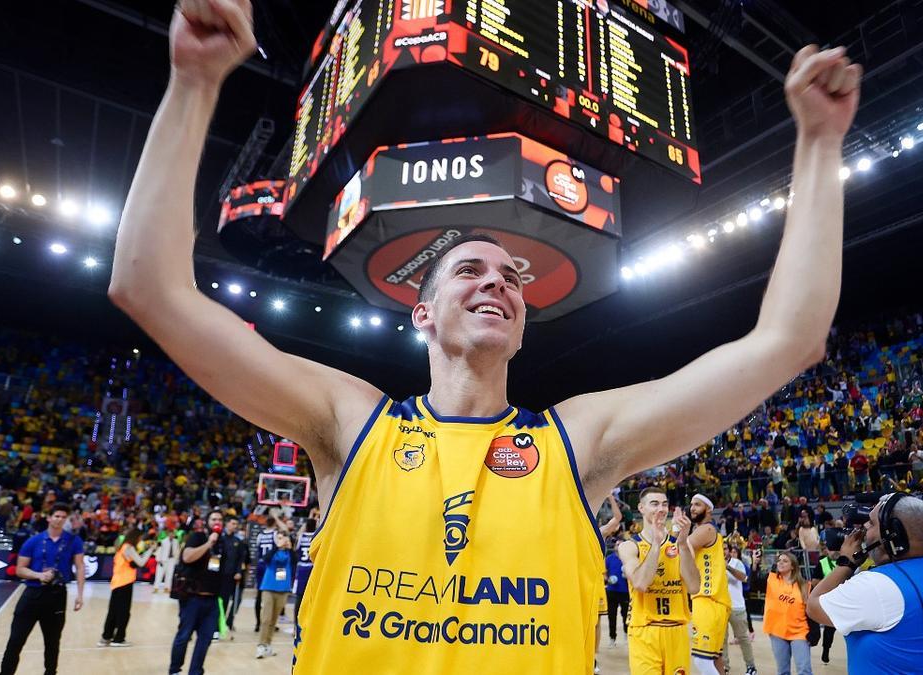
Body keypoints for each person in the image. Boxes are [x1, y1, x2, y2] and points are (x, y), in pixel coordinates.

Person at [109, 0, 861, 669]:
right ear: (423, 312)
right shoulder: (348, 419)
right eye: (470, 268)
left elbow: (788, 339)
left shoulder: (577, 441)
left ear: (522, 325)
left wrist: (821, 144)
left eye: (512, 277)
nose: (499, 280)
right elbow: (150, 288)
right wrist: (194, 83)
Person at [807, 493, 923, 674]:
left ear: (895, 534)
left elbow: (813, 606)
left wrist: (847, 562)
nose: (865, 528)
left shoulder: (879, 585)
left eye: (872, 523)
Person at [618, 491, 700, 675]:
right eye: (654, 504)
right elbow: (640, 583)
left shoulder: (681, 545)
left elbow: (694, 587)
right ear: (641, 508)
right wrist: (656, 544)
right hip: (644, 631)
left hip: (676, 631)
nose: (661, 509)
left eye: (664, 504)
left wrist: (684, 544)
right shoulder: (629, 546)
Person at [0, 503, 85, 675]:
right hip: (32, 594)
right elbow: (19, 569)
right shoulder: (33, 541)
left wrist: (80, 595)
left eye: (63, 517)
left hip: (57, 595)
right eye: (57, 516)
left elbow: (80, 566)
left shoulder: (73, 541)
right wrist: (39, 575)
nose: (60, 519)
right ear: (49, 517)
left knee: (53, 643)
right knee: (15, 640)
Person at [169, 510, 224, 675]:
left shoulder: (223, 542)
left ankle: (195, 671)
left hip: (212, 600)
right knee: (184, 636)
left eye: (220, 520)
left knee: (205, 640)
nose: (217, 522)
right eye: (214, 519)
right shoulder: (197, 537)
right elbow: (187, 557)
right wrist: (208, 544)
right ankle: (175, 670)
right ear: (207, 521)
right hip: (192, 598)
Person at [688, 494, 732, 675]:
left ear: (709, 509)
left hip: (708, 599)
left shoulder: (706, 530)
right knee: (715, 659)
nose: (692, 508)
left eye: (697, 505)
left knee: (702, 661)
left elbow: (678, 549)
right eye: (691, 504)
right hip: (716, 601)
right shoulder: (705, 530)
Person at [99, 528, 152, 647]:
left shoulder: (122, 547)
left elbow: (132, 563)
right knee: (123, 612)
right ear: (136, 537)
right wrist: (150, 551)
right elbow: (141, 562)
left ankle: (106, 637)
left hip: (116, 583)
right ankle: (119, 639)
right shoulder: (129, 547)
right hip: (125, 583)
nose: (140, 540)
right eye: (139, 538)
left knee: (113, 611)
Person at [764, 551, 813, 675]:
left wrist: (814, 632)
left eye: (785, 561)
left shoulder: (804, 585)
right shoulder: (772, 579)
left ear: (793, 566)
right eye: (779, 560)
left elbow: (811, 611)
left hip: (799, 632)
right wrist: (755, 564)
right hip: (777, 631)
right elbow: (752, 582)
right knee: (783, 671)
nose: (780, 563)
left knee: (804, 670)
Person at [593, 494, 623, 673]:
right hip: (577, 579)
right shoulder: (571, 529)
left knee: (596, 623)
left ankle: (593, 657)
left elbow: (618, 518)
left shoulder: (599, 532)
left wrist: (610, 497)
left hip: (595, 581)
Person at [255, 528, 292, 659]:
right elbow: (265, 559)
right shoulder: (272, 551)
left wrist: (290, 548)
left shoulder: (289, 553)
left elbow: (296, 560)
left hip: (283, 589)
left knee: (274, 620)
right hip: (269, 588)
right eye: (279, 537)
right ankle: (260, 645)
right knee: (265, 618)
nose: (282, 540)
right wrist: (277, 547)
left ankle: (267, 645)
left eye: (284, 537)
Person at [722, 543, 757, 675]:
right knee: (722, 639)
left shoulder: (737, 563)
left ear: (730, 551)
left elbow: (743, 578)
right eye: (721, 548)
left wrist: (728, 567)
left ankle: (751, 666)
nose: (722, 551)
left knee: (743, 638)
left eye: (725, 548)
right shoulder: (713, 563)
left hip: (737, 607)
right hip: (721, 607)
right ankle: (724, 667)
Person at [216, 515, 248, 634]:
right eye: (233, 523)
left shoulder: (238, 541)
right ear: (227, 524)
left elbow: (241, 559)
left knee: (236, 600)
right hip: (222, 576)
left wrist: (239, 572)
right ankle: (219, 624)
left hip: (233, 576)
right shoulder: (221, 539)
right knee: (222, 601)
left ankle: (229, 621)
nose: (235, 526)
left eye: (236, 524)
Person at [252, 516, 278, 632]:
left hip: (261, 565)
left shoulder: (260, 535)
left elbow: (257, 551)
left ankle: (258, 623)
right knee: (276, 593)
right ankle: (270, 623)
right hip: (274, 567)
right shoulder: (276, 534)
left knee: (259, 594)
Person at [154, 526, 180, 593]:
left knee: (170, 575)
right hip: (163, 560)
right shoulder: (163, 541)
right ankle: (156, 588)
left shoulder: (176, 542)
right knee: (159, 574)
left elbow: (177, 552)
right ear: (168, 534)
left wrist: (176, 560)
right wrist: (159, 560)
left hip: (171, 560)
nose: (171, 535)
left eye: (173, 534)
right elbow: (159, 551)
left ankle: (167, 588)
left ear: (174, 534)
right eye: (170, 533)